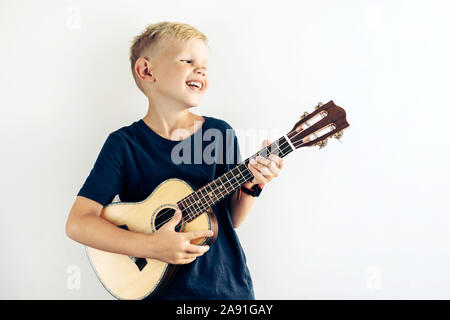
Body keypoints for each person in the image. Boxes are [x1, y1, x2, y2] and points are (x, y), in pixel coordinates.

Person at [65, 21, 284, 299]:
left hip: (225, 288)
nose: (201, 69)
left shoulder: (218, 133)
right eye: (187, 60)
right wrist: (149, 246)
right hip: (158, 293)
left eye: (204, 64)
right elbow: (78, 223)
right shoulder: (124, 145)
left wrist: (253, 185)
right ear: (147, 70)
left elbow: (231, 219)